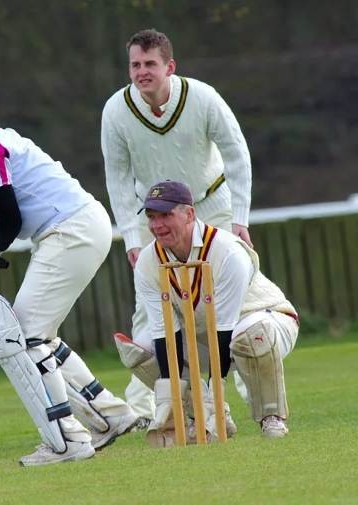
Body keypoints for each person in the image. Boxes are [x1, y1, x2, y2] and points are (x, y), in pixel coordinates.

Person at [0, 69, 137, 466]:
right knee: (39, 336)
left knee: (26, 337)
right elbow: (5, 218)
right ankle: (108, 417)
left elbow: (11, 223)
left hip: (71, 230)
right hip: (76, 227)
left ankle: (67, 440)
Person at [101, 28, 254, 427]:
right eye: (135, 65)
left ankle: (254, 399)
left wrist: (239, 218)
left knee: (238, 301)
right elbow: (117, 178)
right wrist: (132, 237)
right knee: (149, 307)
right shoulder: (116, 111)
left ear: (170, 66)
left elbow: (237, 154)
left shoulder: (202, 97)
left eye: (150, 64)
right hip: (151, 214)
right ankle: (152, 409)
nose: (142, 72)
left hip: (210, 204)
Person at [131, 180, 297, 445]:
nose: (157, 225)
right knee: (139, 350)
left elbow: (225, 327)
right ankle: (199, 416)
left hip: (266, 320)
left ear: (189, 214)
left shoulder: (227, 250)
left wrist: (213, 393)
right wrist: (169, 394)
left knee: (251, 335)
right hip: (203, 334)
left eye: (166, 215)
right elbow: (164, 332)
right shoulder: (148, 262)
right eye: (152, 217)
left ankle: (271, 416)